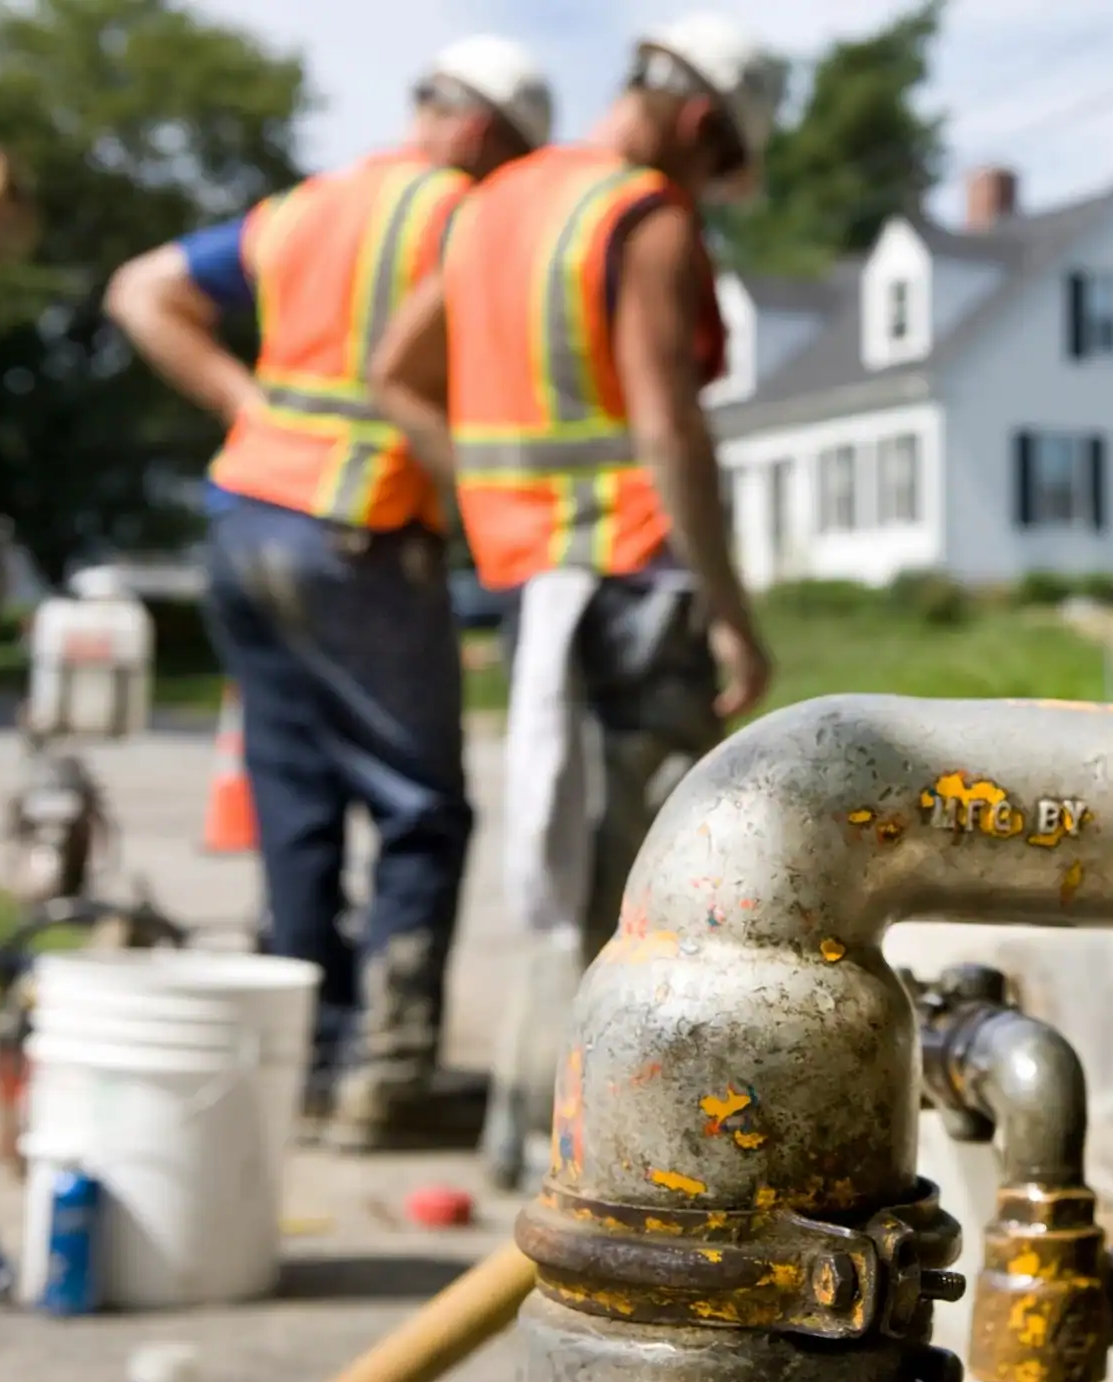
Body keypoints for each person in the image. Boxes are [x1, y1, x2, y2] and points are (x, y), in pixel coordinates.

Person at [104, 37, 555, 1150]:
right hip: (357, 533)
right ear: (492, 133)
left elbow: (141, 290)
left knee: (296, 806)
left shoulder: (306, 207)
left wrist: (244, 404)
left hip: (245, 521)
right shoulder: (468, 217)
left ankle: (308, 1062)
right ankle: (386, 1078)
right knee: (419, 809)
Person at [370, 12, 779, 1188]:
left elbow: (399, 380)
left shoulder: (494, 204)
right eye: (716, 164)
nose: (705, 188)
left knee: (558, 877)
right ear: (701, 124)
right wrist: (734, 609)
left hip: (535, 582)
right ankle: (624, 1160)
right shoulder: (640, 213)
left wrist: (496, 494)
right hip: (638, 581)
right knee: (659, 881)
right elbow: (668, 422)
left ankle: (529, 1140)